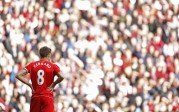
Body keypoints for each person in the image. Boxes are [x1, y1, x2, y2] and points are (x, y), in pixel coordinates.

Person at [16, 46, 64, 112]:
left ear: (40, 54)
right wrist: (53, 85)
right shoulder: (53, 66)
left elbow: (18, 75)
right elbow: (62, 76)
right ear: (49, 54)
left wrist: (30, 85)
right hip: (47, 96)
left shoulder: (32, 65)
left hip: (35, 96)